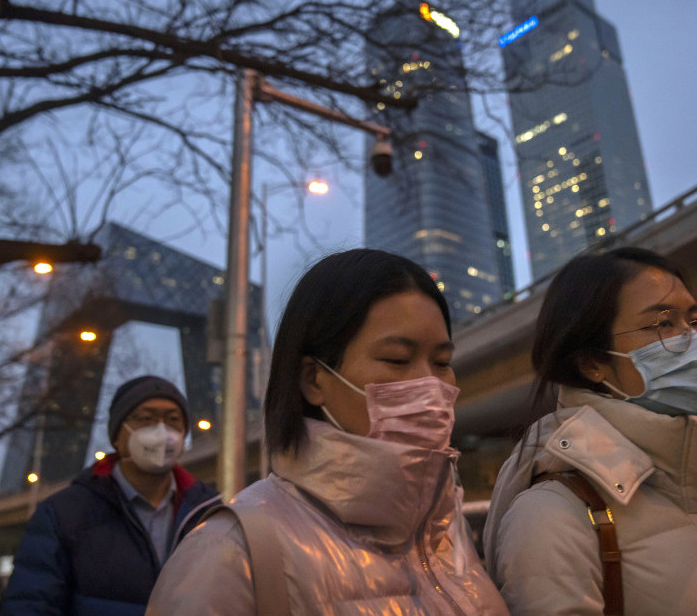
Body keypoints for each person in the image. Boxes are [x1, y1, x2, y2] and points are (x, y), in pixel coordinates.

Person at [146, 248, 510, 615]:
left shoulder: (445, 533)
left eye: (442, 362)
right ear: (312, 379)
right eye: (397, 360)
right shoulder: (228, 555)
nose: (430, 385)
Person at [483, 247, 697, 615]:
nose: (695, 341)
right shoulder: (553, 514)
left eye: (694, 320)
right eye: (663, 324)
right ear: (592, 362)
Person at [3, 375, 222, 615]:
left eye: (173, 420)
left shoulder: (209, 511)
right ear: (117, 434)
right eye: (146, 419)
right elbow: (31, 605)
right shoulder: (63, 514)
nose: (162, 431)